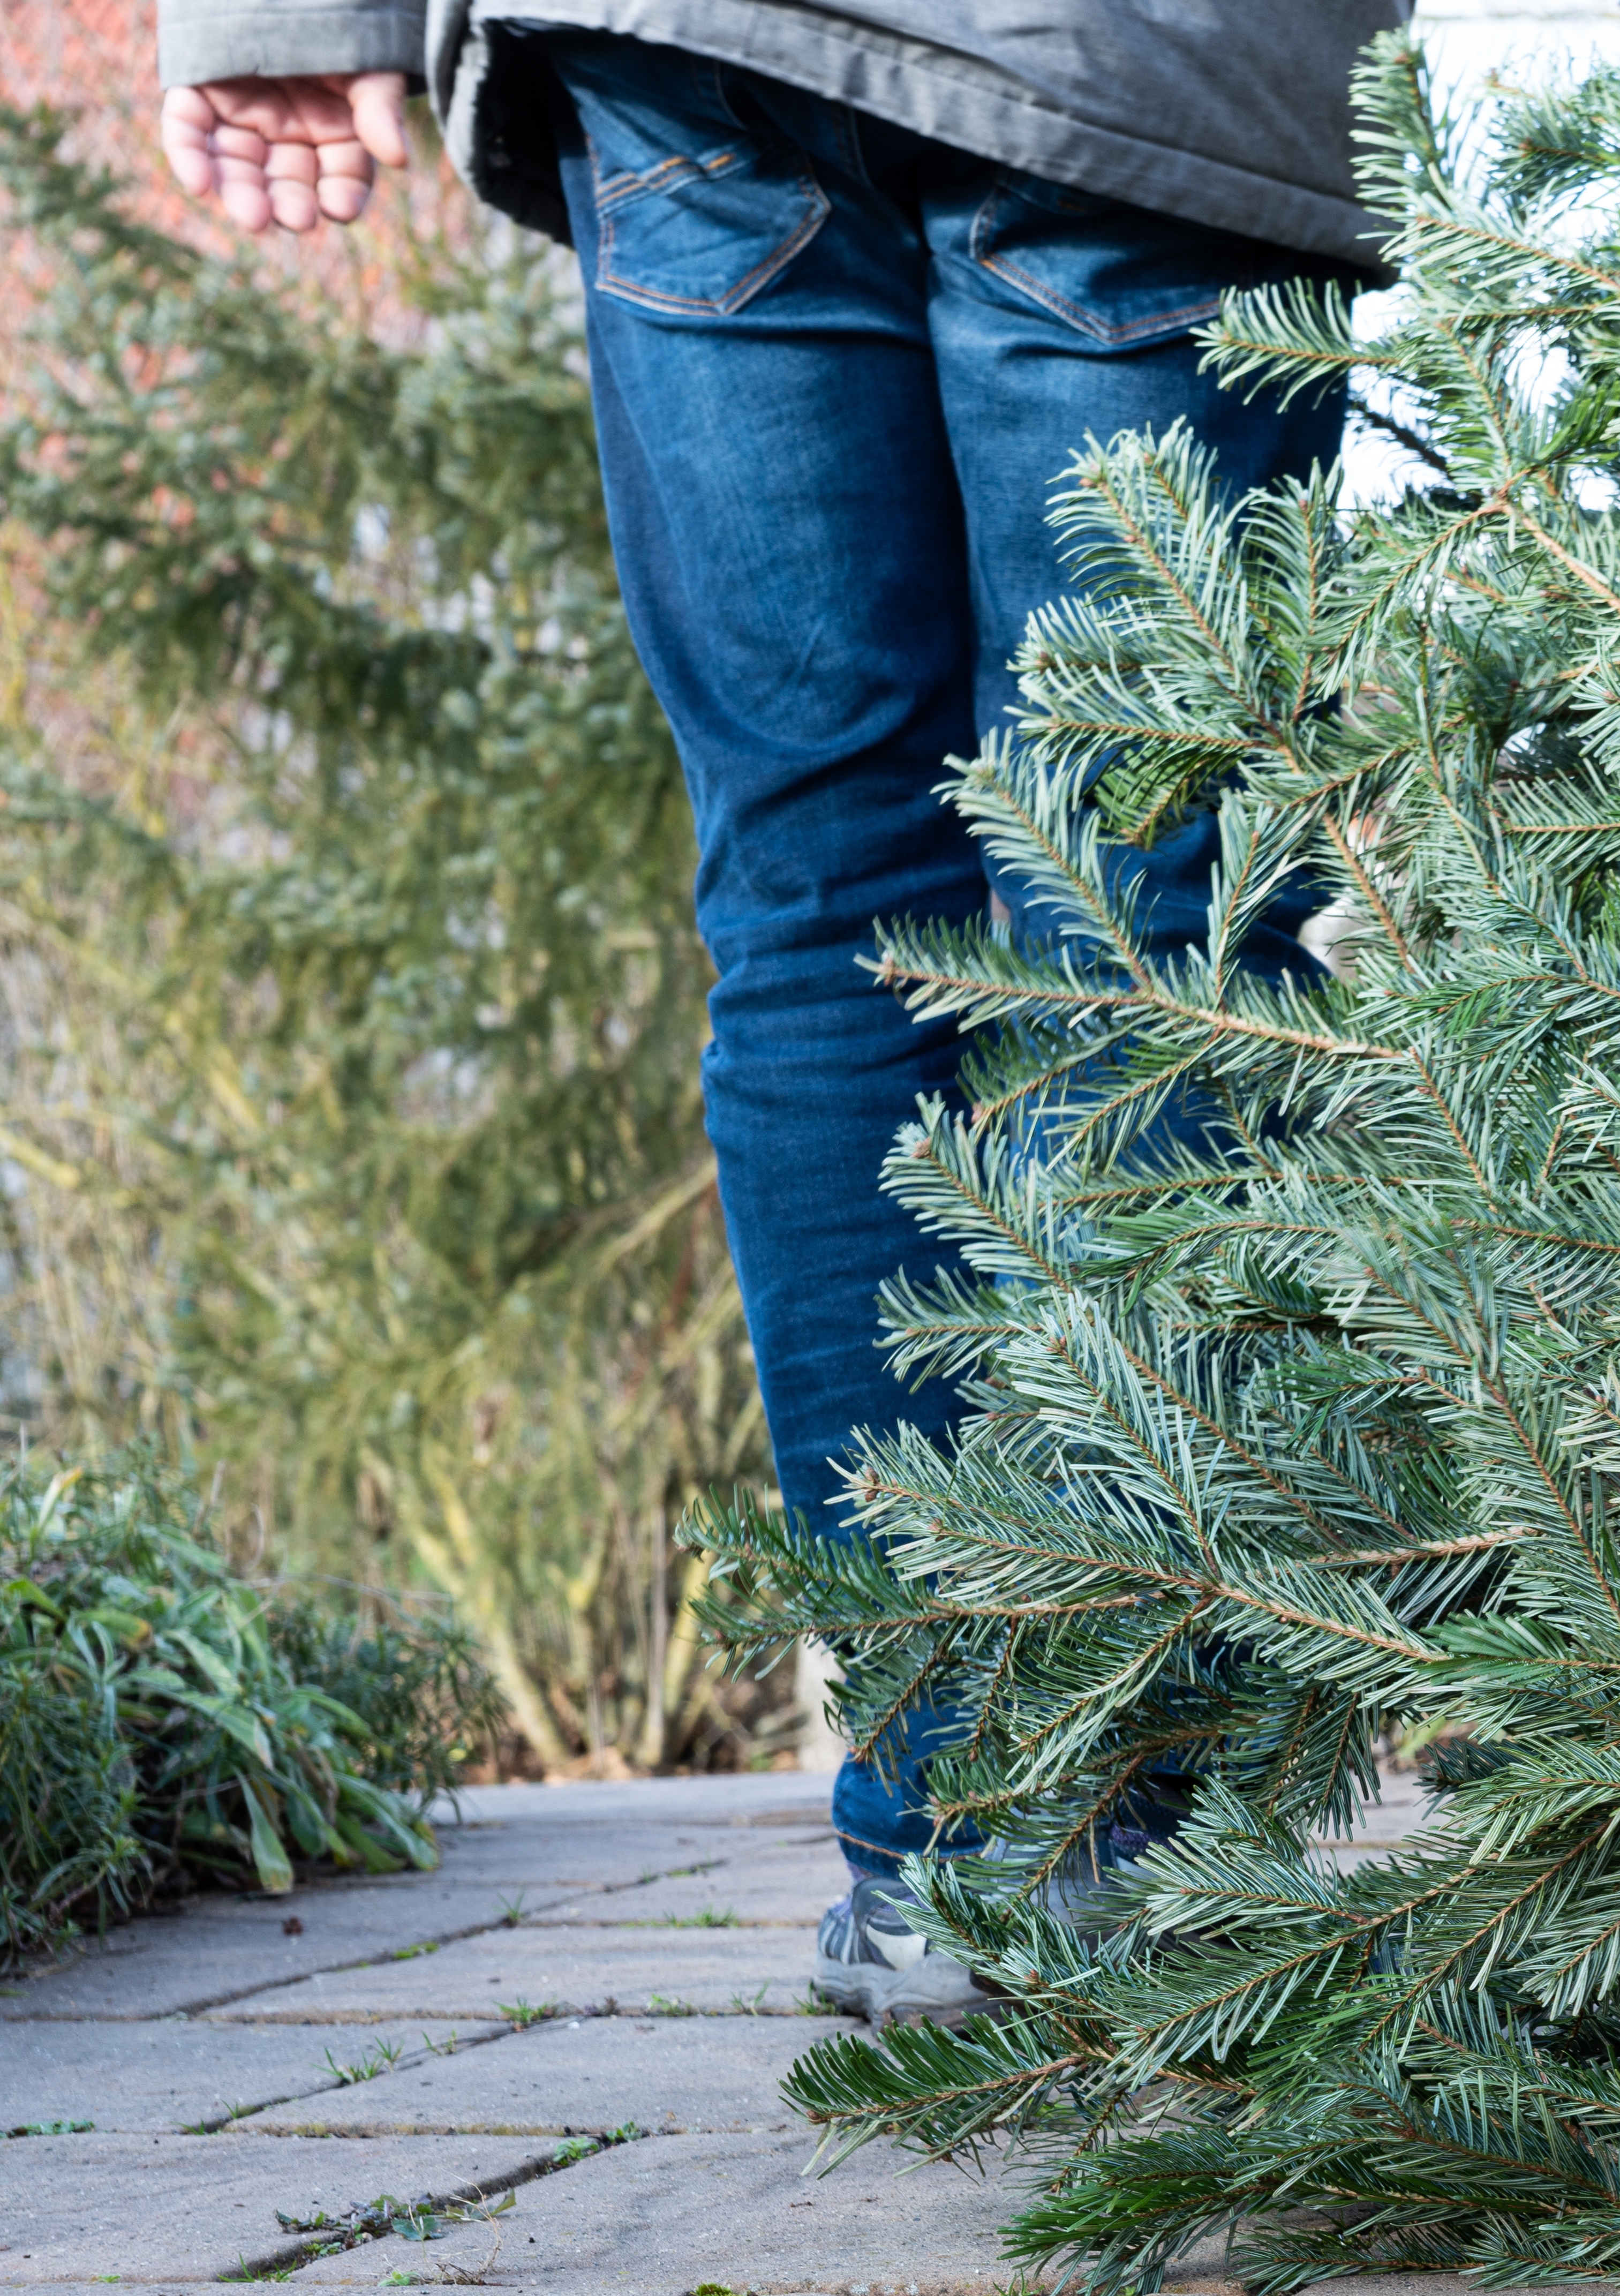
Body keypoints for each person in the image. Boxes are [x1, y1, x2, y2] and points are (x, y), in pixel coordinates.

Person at [155, 2, 1405, 2018]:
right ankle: (1105, 1837)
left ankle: (940, 1840)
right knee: (1150, 904)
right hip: (1143, 67)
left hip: (705, 44)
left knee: (828, 911)